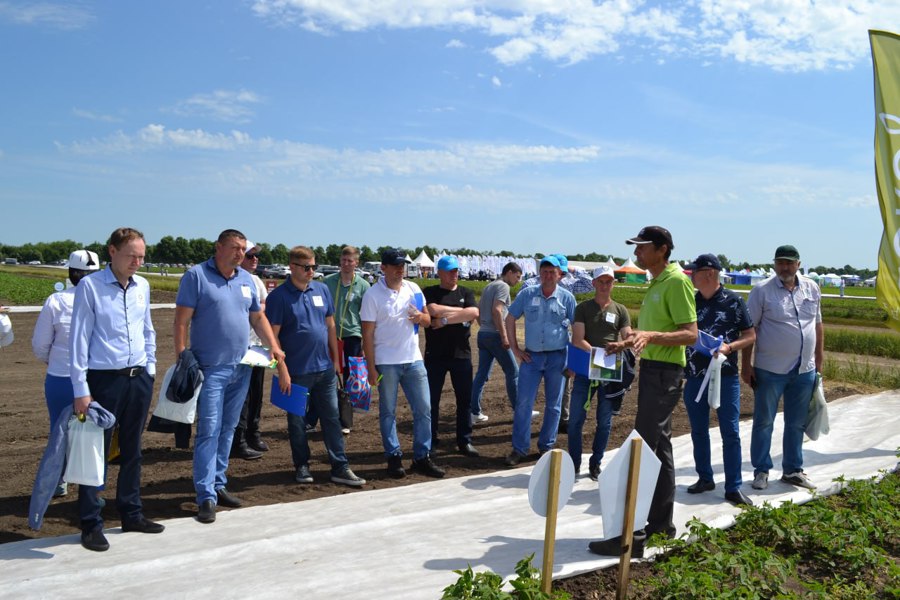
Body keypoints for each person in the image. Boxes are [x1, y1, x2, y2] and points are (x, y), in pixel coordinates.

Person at [589, 226, 697, 558]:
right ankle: (661, 527)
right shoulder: (657, 282)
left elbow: (690, 334)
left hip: (665, 375)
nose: (636, 253)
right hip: (654, 372)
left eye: (642, 247)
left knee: (643, 451)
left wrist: (649, 336)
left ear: (662, 249)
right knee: (658, 448)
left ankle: (632, 535)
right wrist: (628, 340)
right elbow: (655, 332)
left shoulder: (676, 282)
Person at [174, 229, 285, 525]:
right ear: (218, 247)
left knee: (228, 428)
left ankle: (218, 483)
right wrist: (182, 355)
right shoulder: (196, 276)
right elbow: (181, 320)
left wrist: (273, 346)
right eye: (235, 248)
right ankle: (205, 494)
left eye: (243, 249)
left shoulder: (246, 280)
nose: (240, 254)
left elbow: (257, 318)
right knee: (209, 429)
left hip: (242, 367)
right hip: (210, 369)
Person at [69, 228, 162, 552]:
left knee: (133, 449)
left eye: (141, 257)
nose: (137, 262)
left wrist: (150, 370)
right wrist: (81, 389)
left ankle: (131, 513)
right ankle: (91, 523)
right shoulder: (91, 288)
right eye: (131, 256)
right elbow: (79, 339)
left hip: (138, 379)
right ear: (112, 251)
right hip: (103, 381)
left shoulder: (143, 287)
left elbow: (147, 330)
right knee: (96, 451)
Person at [267, 246, 365, 488]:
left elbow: (330, 326)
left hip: (325, 370)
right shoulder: (278, 298)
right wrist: (282, 370)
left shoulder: (321, 289)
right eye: (307, 267)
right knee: (297, 422)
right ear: (292, 267)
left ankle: (340, 466)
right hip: (295, 372)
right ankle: (302, 465)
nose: (312, 271)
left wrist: (335, 360)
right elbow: (273, 337)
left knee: (332, 418)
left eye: (314, 267)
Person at [742, 245, 823, 492]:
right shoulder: (762, 291)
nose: (784, 267)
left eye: (789, 263)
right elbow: (749, 330)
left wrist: (819, 359)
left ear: (798, 264)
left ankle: (792, 470)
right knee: (764, 421)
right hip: (769, 370)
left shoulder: (811, 287)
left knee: (796, 422)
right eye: (780, 263)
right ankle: (761, 471)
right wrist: (746, 365)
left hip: (804, 370)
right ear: (775, 264)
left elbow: (818, 325)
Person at [360, 248, 445, 479]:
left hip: (413, 359)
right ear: (383, 268)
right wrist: (370, 367)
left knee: (424, 409)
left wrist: (421, 318)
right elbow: (367, 334)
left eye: (403, 265)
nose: (400, 269)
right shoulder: (372, 295)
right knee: (388, 412)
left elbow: (428, 320)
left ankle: (421, 456)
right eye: (396, 265)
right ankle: (394, 456)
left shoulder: (414, 289)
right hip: (386, 362)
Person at [682, 254, 755, 506]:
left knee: (730, 432)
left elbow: (750, 335)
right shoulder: (691, 302)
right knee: (698, 430)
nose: (692, 276)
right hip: (694, 376)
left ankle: (733, 486)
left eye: (696, 272)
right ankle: (705, 477)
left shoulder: (734, 301)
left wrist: (729, 348)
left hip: (725, 377)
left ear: (710, 273)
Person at [32, 249, 100, 497]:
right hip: (97, 378)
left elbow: (40, 344)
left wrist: (54, 362)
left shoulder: (57, 300)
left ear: (71, 273)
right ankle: (91, 487)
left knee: (59, 431)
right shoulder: (104, 299)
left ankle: (59, 481)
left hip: (61, 377)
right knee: (93, 433)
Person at [503, 255, 576, 467]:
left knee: (554, 405)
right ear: (540, 274)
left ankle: (546, 445)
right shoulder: (527, 294)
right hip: (531, 358)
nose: (548, 276)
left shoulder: (567, 298)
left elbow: (578, 329)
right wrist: (515, 349)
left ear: (559, 275)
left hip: (558, 357)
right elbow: (510, 318)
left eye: (552, 272)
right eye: (544, 272)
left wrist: (574, 361)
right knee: (524, 403)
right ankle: (519, 448)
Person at [566, 265, 632, 480]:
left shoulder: (620, 310)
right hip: (586, 369)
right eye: (601, 281)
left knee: (604, 421)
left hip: (609, 373)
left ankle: (596, 464)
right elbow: (578, 339)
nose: (605, 285)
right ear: (594, 283)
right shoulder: (583, 308)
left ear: (613, 284)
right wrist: (599, 354)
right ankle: (574, 463)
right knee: (576, 419)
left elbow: (626, 335)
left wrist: (626, 343)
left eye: (609, 281)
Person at [423, 256, 480, 456]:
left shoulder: (466, 292)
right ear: (439, 272)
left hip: (461, 354)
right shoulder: (430, 292)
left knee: (464, 400)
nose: (453, 274)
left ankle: (464, 440)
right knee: (432, 400)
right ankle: (431, 440)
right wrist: (462, 313)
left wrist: (445, 320)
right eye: (449, 271)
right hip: (435, 355)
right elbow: (432, 309)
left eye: (455, 271)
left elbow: (474, 313)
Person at [323, 245, 371, 434]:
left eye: (350, 261)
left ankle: (345, 420)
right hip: (330, 335)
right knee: (327, 377)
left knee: (351, 379)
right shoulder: (327, 282)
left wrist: (366, 345)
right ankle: (322, 417)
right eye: (343, 260)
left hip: (352, 336)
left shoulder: (364, 286)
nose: (346, 264)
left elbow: (366, 316)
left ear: (356, 263)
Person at [470, 261, 523, 422]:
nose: (518, 281)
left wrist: (484, 326)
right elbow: (497, 310)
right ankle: (519, 410)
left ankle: (474, 411)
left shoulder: (489, 286)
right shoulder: (503, 287)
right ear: (509, 272)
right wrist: (504, 335)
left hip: (483, 335)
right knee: (513, 372)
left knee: (482, 375)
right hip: (495, 336)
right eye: (517, 276)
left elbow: (478, 310)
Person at [230, 240, 267, 461]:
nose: (254, 260)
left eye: (255, 256)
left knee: (256, 394)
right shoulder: (232, 280)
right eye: (250, 256)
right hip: (238, 349)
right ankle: (239, 438)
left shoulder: (256, 282)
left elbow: (262, 313)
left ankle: (253, 432)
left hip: (256, 347)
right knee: (240, 397)